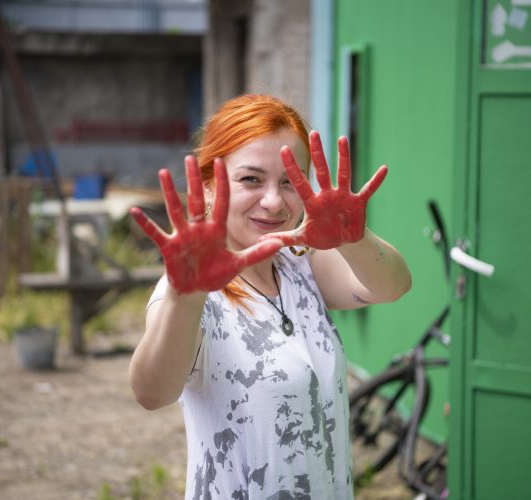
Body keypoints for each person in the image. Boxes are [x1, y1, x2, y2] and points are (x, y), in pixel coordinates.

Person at [129, 94, 411, 499]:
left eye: (289, 182)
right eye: (251, 179)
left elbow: (393, 286)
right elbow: (151, 393)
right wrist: (184, 299)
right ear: (209, 187)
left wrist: (355, 238)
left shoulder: (298, 265)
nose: (274, 201)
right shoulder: (190, 294)